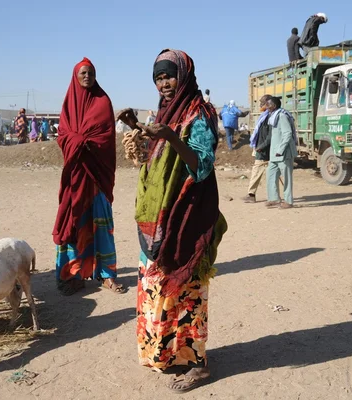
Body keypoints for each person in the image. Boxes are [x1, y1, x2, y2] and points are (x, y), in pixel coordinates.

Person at [117, 49, 227, 393]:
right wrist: (136, 125)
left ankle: (197, 363)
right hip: (159, 217)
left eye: (169, 76)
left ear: (184, 74)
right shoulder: (166, 110)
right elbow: (158, 153)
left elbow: (202, 166)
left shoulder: (199, 112)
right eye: (158, 78)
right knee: (157, 289)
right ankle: (166, 354)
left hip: (188, 216)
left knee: (186, 291)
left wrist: (173, 137)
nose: (164, 83)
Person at [52, 57, 124, 296]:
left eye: (90, 73)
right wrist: (78, 140)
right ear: (76, 75)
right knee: (74, 221)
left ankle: (106, 275)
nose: (87, 76)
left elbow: (105, 137)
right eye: (83, 73)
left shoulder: (103, 102)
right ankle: (72, 275)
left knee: (102, 225)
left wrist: (83, 140)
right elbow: (63, 135)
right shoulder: (68, 105)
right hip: (76, 175)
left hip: (97, 176)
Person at [265, 97, 297, 209]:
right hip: (274, 154)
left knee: (287, 178)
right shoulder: (273, 117)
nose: (266, 107)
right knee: (270, 174)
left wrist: (280, 150)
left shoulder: (282, 116)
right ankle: (274, 198)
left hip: (283, 153)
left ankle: (288, 201)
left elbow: (287, 134)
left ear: (274, 106)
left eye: (268, 105)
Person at [243, 95, 273, 203]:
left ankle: (251, 195)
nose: (260, 105)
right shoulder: (264, 116)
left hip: (264, 149)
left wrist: (261, 147)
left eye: (263, 103)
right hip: (261, 148)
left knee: (257, 171)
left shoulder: (270, 117)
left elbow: (269, 136)